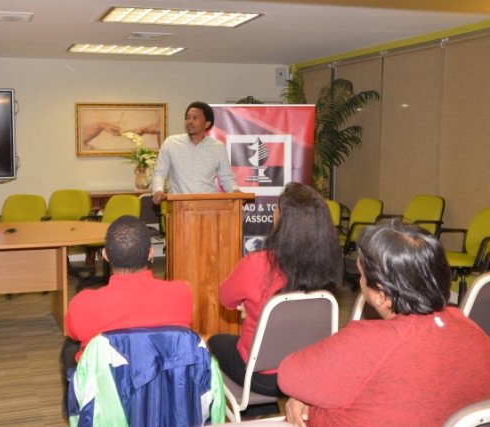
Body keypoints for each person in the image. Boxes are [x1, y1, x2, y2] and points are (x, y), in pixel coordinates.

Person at [278, 220, 490, 427]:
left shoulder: (365, 342)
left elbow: (288, 375)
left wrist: (308, 401)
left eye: (361, 275)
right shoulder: (472, 331)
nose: (360, 282)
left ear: (380, 295)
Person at [207, 182, 343, 398]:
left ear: (284, 220)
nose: (273, 211)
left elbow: (226, 298)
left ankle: (246, 412)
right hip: (307, 372)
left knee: (214, 341)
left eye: (277, 207)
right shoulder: (327, 266)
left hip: (260, 376)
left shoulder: (258, 263)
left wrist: (248, 304)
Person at [61, 215, 193, 371]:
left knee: (69, 348)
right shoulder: (182, 294)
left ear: (105, 255)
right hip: (164, 390)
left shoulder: (82, 305)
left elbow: (73, 333)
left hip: (107, 391)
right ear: (151, 253)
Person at [151, 101, 239, 204]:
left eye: (195, 118)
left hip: (207, 207)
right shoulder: (171, 143)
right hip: (178, 207)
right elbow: (160, 172)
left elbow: (226, 178)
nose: (190, 121)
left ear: (207, 124)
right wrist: (158, 190)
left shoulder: (218, 147)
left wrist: (235, 191)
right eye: (188, 117)